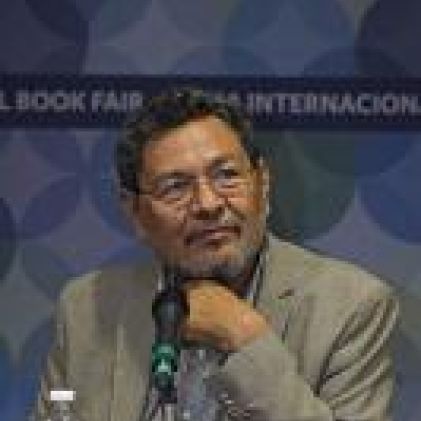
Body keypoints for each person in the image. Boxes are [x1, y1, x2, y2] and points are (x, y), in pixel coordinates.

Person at [31, 88, 399, 421]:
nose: (208, 204)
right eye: (175, 187)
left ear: (263, 184)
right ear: (135, 212)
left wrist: (246, 339)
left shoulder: (349, 307)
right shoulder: (87, 309)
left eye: (226, 175)